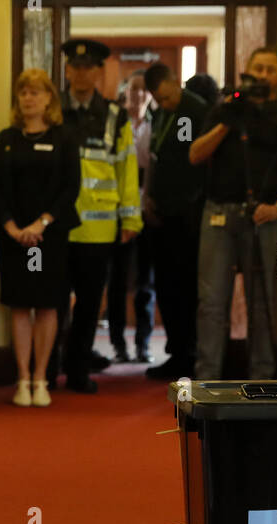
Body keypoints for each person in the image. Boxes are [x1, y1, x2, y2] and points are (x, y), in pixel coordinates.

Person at [188, 46, 277, 379]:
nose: (264, 75)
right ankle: (206, 382)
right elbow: (195, 155)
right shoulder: (224, 110)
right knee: (211, 303)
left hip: (262, 221)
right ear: (248, 71)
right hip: (218, 216)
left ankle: (262, 382)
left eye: (271, 70)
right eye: (259, 68)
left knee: (261, 304)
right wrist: (226, 121)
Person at [0, 69, 80, 408]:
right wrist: (12, 227)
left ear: (49, 100)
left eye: (36, 92)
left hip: (49, 237)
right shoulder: (6, 138)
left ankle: (41, 377)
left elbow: (71, 187)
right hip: (13, 237)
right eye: (23, 92)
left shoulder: (64, 138)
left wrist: (41, 223)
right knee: (19, 305)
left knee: (46, 305)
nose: (28, 98)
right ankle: (22, 379)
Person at [55, 39, 140, 393]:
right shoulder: (51, 109)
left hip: (99, 230)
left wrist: (131, 219)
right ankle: (46, 370)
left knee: (90, 304)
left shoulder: (115, 115)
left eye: (88, 67)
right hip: (56, 226)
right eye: (75, 67)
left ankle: (77, 370)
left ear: (98, 72)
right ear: (67, 71)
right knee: (53, 303)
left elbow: (126, 168)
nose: (81, 73)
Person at [143, 63, 208, 380]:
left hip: (188, 214)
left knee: (185, 286)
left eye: (167, 97)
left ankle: (189, 353)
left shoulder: (194, 111)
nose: (164, 104)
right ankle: (175, 350)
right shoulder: (161, 114)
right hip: (162, 212)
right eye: (159, 99)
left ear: (174, 83)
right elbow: (157, 156)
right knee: (165, 286)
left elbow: (195, 163)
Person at [107, 68, 156, 365]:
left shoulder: (157, 124)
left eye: (143, 90)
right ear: (124, 91)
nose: (138, 95)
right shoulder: (113, 124)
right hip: (116, 213)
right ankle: (117, 343)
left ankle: (143, 343)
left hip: (148, 212)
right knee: (117, 282)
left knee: (145, 284)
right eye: (133, 89)